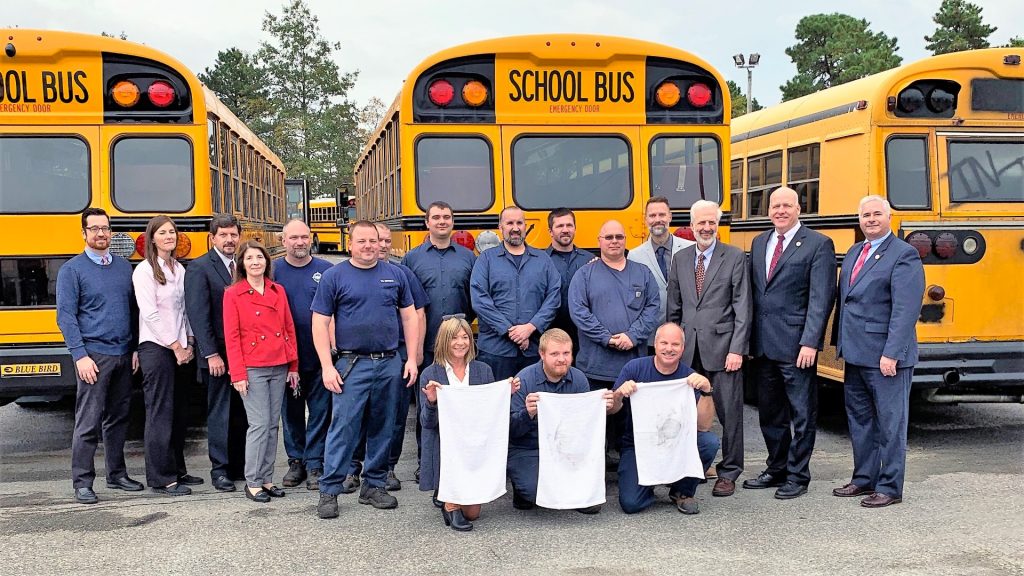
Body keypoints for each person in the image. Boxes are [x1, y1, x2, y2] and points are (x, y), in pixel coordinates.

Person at [311, 221, 419, 520]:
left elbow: (410, 318)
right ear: (351, 242)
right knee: (343, 428)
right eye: (362, 241)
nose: (369, 246)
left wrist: (410, 359)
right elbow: (319, 323)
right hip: (350, 364)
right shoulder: (335, 277)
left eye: (373, 240)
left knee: (384, 426)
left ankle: (373, 485)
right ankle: (330, 490)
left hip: (389, 362)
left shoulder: (395, 275)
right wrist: (326, 366)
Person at [745, 187, 836, 499]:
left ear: (799, 209)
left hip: (798, 347)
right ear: (768, 210)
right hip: (764, 346)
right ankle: (777, 467)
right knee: (770, 413)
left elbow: (821, 298)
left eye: (787, 205)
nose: (780, 210)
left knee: (802, 413)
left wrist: (811, 342)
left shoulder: (818, 244)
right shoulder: (759, 243)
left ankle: (798, 475)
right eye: (775, 205)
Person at [833, 195, 924, 508]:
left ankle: (890, 486)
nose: (870, 220)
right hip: (856, 353)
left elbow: (905, 309)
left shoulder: (903, 254)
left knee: (890, 424)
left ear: (889, 217)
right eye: (865, 215)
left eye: (876, 214)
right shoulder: (857, 250)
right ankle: (864, 479)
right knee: (860, 421)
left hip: (886, 357)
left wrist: (892, 353)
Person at [56, 208, 143, 504]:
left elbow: (132, 311)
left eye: (105, 228)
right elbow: (66, 317)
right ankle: (82, 481)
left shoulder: (122, 267)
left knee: (118, 418)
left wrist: (133, 349)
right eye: (94, 229)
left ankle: (117, 474)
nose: (101, 233)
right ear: (84, 233)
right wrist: (79, 355)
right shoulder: (72, 270)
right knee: (88, 421)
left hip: (122, 354)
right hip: (93, 356)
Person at [665, 200, 751, 497]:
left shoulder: (735, 257)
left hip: (724, 349)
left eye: (711, 222)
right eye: (700, 223)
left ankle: (729, 472)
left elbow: (742, 307)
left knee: (730, 414)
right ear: (691, 225)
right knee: (686, 413)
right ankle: (692, 466)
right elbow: (674, 308)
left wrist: (737, 349)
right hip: (688, 351)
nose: (706, 228)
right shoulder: (681, 258)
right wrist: (670, 350)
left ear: (717, 224)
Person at [345, 223, 429, 494]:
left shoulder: (402, 274)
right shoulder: (349, 274)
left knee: (393, 416)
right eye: (374, 240)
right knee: (358, 416)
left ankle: (387, 467)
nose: (379, 245)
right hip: (359, 359)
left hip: (397, 355)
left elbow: (417, 314)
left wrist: (415, 355)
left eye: (384, 241)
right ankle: (352, 468)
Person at [569, 220, 659, 462]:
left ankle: (629, 467)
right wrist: (606, 338)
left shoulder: (642, 273)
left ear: (625, 240)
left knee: (630, 424)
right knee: (596, 424)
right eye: (608, 237)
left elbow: (653, 308)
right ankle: (596, 469)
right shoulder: (584, 275)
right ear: (599, 241)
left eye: (619, 237)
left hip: (633, 365)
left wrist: (632, 336)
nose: (614, 241)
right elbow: (579, 312)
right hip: (595, 365)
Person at [401, 201, 477, 483]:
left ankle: (462, 458)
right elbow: (406, 305)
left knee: (462, 405)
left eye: (447, 216)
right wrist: (415, 348)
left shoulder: (469, 258)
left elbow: (475, 299)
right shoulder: (411, 259)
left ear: (452, 221)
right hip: (428, 345)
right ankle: (426, 461)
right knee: (427, 407)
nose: (442, 221)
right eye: (436, 217)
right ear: (427, 222)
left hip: (460, 347)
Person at [419, 317, 519, 531]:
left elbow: (490, 413)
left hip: (475, 443)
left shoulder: (483, 370)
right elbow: (426, 423)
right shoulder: (430, 373)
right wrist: (431, 401)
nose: (460, 342)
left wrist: (503, 396)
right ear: (443, 341)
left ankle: (448, 493)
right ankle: (449, 501)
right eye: (454, 337)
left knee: (473, 514)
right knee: (461, 507)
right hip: (446, 444)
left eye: (465, 337)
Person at [611, 323, 720, 515]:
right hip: (638, 445)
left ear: (682, 348)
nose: (669, 349)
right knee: (631, 504)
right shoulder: (634, 368)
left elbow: (703, 426)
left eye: (675, 344)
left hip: (676, 442)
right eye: (664, 343)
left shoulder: (689, 377)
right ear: (655, 343)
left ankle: (682, 490)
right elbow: (611, 410)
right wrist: (619, 394)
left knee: (708, 442)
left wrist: (707, 391)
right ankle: (650, 482)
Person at [223, 241, 299, 503]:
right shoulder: (233, 294)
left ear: (267, 261)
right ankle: (252, 481)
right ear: (242, 265)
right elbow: (231, 336)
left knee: (271, 425)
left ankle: (267, 479)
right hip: (252, 367)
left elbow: (288, 328)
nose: (255, 262)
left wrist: (294, 365)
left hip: (278, 363)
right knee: (258, 424)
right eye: (249, 258)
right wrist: (238, 374)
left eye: (260, 257)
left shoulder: (278, 290)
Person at [507, 329, 612, 513]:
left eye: (566, 353)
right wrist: (527, 414)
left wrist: (599, 409)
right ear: (542, 354)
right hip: (531, 448)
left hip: (566, 447)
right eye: (554, 354)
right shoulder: (523, 380)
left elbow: (585, 427)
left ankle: (566, 487)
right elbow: (510, 431)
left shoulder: (579, 379)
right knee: (533, 492)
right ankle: (521, 488)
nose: (561, 359)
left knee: (592, 506)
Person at [132, 215, 199, 496]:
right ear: (152, 238)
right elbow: (150, 313)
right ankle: (161, 478)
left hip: (182, 347)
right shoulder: (145, 271)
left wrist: (190, 343)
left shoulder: (178, 269)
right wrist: (175, 346)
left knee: (180, 412)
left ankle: (178, 469)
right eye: (162, 232)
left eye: (172, 231)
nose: (169, 236)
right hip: (157, 348)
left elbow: (185, 310)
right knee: (160, 412)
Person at [268, 219, 334, 491]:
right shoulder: (272, 271)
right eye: (293, 237)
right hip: (286, 357)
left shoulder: (327, 271)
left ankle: (315, 463)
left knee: (320, 411)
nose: (299, 242)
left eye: (304, 237)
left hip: (319, 356)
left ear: (311, 239)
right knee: (291, 411)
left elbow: (336, 311)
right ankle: (296, 461)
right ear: (283, 241)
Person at [185, 214, 248, 492]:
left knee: (241, 412)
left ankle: (239, 465)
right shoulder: (200, 268)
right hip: (218, 355)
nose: (229, 240)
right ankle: (219, 469)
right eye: (223, 235)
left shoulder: (245, 265)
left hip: (245, 354)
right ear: (213, 238)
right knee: (220, 412)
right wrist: (211, 354)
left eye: (233, 234)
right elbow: (198, 315)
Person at [471, 206, 561, 380]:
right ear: (501, 227)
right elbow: (480, 300)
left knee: (532, 404)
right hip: (495, 351)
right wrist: (510, 331)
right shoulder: (486, 260)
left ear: (525, 226)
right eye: (510, 223)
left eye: (519, 222)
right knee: (496, 404)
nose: (515, 227)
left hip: (534, 350)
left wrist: (530, 327)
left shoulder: (543, 260)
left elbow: (554, 297)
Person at [627, 196, 695, 328]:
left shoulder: (691, 249)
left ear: (670, 217)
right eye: (652, 215)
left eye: (662, 215)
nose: (657, 220)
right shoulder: (634, 256)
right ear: (646, 219)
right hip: (651, 334)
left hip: (685, 332)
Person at [546, 207, 596, 355]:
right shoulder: (540, 261)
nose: (565, 230)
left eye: (569, 225)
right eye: (560, 226)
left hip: (583, 335)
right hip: (549, 332)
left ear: (575, 228)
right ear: (550, 231)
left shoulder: (590, 260)